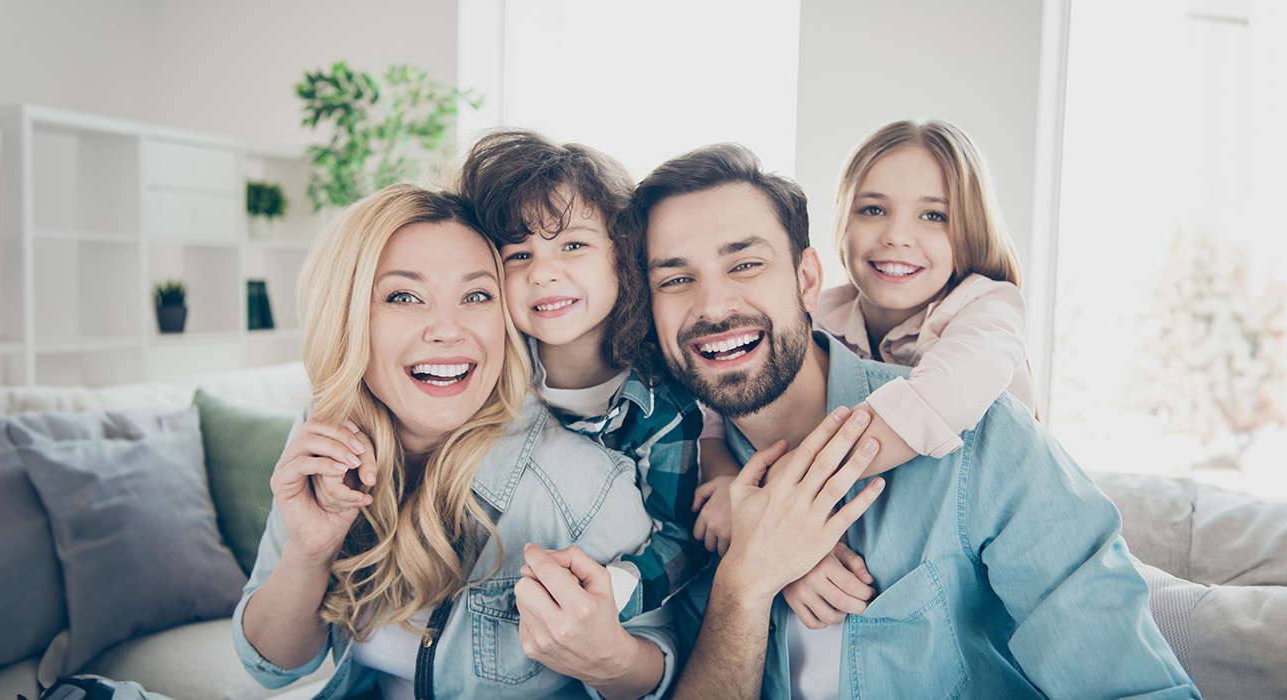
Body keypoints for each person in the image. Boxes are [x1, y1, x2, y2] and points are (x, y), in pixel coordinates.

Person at [625, 144, 1199, 699]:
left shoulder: (983, 437)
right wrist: (746, 581)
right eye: (675, 279)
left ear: (805, 281)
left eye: (745, 264)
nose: (713, 306)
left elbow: (1130, 682)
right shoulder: (665, 480)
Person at [231, 184, 677, 700]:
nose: (447, 329)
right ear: (348, 315)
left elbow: (665, 670)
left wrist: (610, 661)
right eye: (404, 296)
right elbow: (271, 667)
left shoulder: (583, 482)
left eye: (476, 296)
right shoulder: (325, 438)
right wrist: (309, 553)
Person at [688, 120, 1038, 631]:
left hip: (996, 551)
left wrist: (774, 507)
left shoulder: (989, 309)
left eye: (934, 215)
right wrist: (726, 486)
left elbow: (940, 400)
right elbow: (716, 403)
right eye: (872, 209)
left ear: (971, 230)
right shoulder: (823, 315)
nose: (897, 235)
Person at [453, 129, 709, 623]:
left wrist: (611, 590)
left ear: (622, 255)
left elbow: (680, 538)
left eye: (572, 245)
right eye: (518, 255)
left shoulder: (662, 409)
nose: (543, 272)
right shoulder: (482, 373)